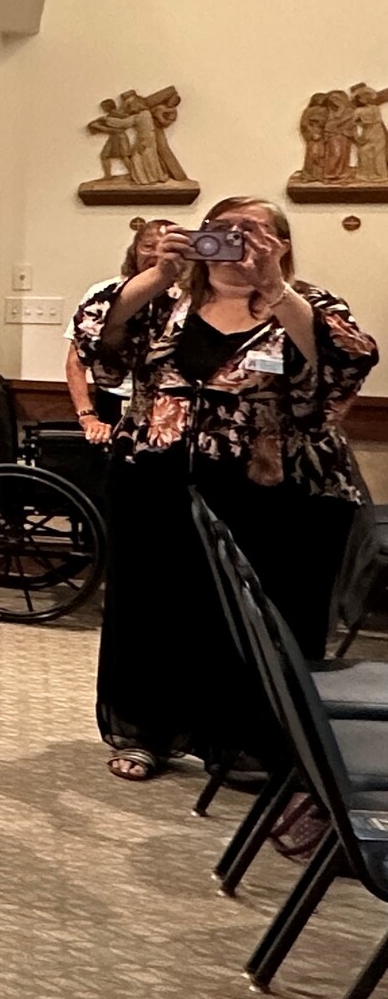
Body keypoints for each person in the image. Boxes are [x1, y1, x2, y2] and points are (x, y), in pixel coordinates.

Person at [90, 195, 377, 782]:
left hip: (273, 493)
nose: (233, 240)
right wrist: (159, 273)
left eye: (251, 231)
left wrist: (273, 286)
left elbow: (346, 363)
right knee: (151, 605)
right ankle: (147, 730)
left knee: (261, 616)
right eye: (220, 229)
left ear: (281, 244)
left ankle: (249, 744)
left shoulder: (308, 303)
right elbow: (99, 340)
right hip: (155, 481)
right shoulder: (161, 302)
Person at [67, 222, 169, 446]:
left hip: (167, 410)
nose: (156, 255)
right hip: (112, 401)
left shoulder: (191, 298)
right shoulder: (104, 294)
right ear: (134, 251)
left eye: (165, 248)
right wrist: (87, 416)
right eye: (148, 246)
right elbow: (76, 362)